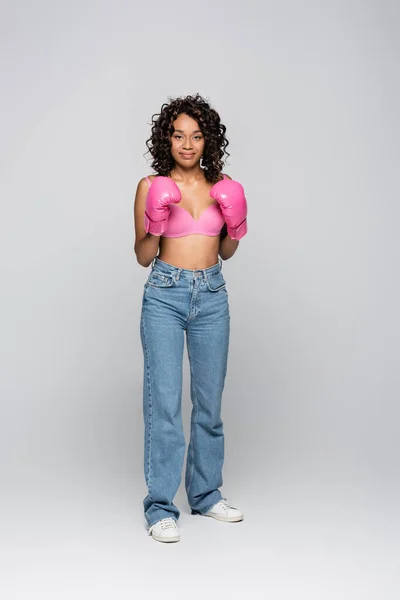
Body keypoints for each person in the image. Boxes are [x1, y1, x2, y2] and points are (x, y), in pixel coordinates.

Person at [133, 93, 248, 543]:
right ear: (168, 138)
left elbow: (226, 251)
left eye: (196, 135)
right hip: (164, 294)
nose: (187, 143)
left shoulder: (223, 185)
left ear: (207, 141)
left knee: (210, 403)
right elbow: (143, 256)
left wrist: (235, 226)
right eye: (179, 135)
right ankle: (161, 507)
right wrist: (155, 223)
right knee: (163, 404)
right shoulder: (150, 184)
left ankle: (205, 493)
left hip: (212, 294)